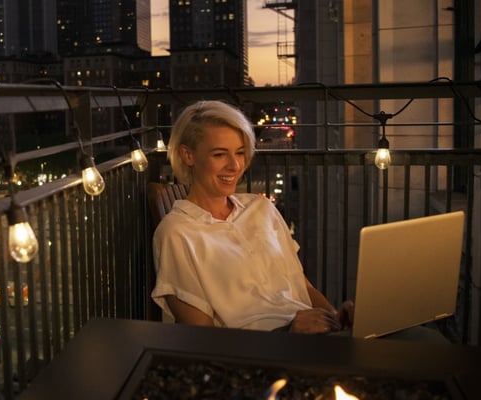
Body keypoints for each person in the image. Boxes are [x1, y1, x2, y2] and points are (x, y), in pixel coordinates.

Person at [151, 100, 353, 334]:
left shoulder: (262, 208)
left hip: (312, 338)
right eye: (219, 154)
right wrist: (287, 333)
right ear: (188, 155)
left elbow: (302, 286)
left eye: (240, 152)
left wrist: (337, 321)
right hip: (261, 356)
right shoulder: (177, 233)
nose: (235, 165)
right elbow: (201, 337)